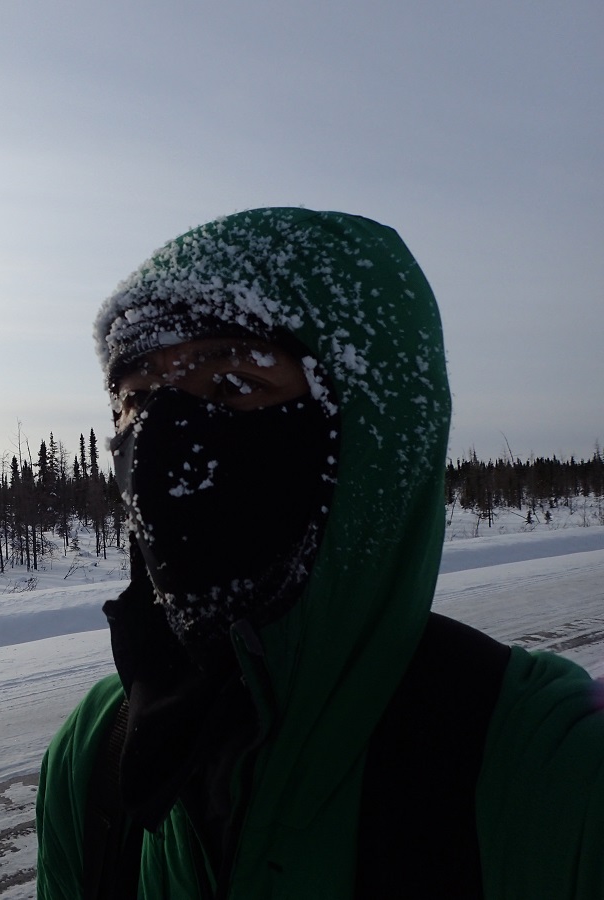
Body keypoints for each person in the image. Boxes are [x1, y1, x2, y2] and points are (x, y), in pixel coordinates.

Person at [35, 207, 604, 899]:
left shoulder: (551, 772)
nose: (160, 443)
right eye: (136, 397)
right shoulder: (95, 756)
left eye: (234, 384)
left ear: (367, 438)